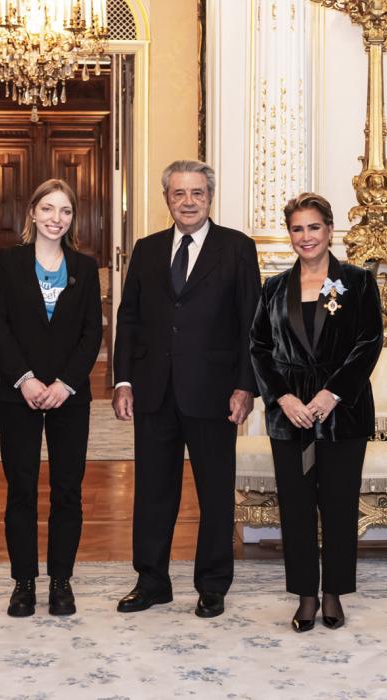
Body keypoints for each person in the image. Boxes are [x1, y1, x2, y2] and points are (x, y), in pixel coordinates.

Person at [112, 160, 261, 618]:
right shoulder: (147, 249)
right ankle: (152, 580)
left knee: (215, 492)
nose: (189, 201)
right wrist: (123, 379)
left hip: (215, 393)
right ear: (167, 200)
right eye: (179, 194)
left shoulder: (236, 248)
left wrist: (245, 387)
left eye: (197, 193)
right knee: (154, 492)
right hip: (155, 390)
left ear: (210, 197)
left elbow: (250, 325)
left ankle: (212, 583)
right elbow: (130, 317)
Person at [250, 192, 383, 632]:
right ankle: (306, 594)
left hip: (341, 412)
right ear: (289, 234)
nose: (305, 237)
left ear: (329, 230)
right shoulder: (273, 288)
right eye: (297, 228)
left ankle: (333, 593)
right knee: (296, 505)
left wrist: (332, 395)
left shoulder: (358, 282)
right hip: (290, 415)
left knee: (340, 505)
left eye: (314, 227)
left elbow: (368, 344)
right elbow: (260, 349)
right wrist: (282, 398)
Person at [0, 179, 102, 617]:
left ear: (73, 218)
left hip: (70, 397)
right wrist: (26, 379)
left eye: (66, 211)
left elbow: (93, 332)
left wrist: (66, 383)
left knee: (67, 491)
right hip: (19, 395)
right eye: (49, 209)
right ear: (32, 212)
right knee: (21, 489)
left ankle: (61, 581)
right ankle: (23, 583)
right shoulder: (7, 264)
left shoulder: (85, 268)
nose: (57, 218)